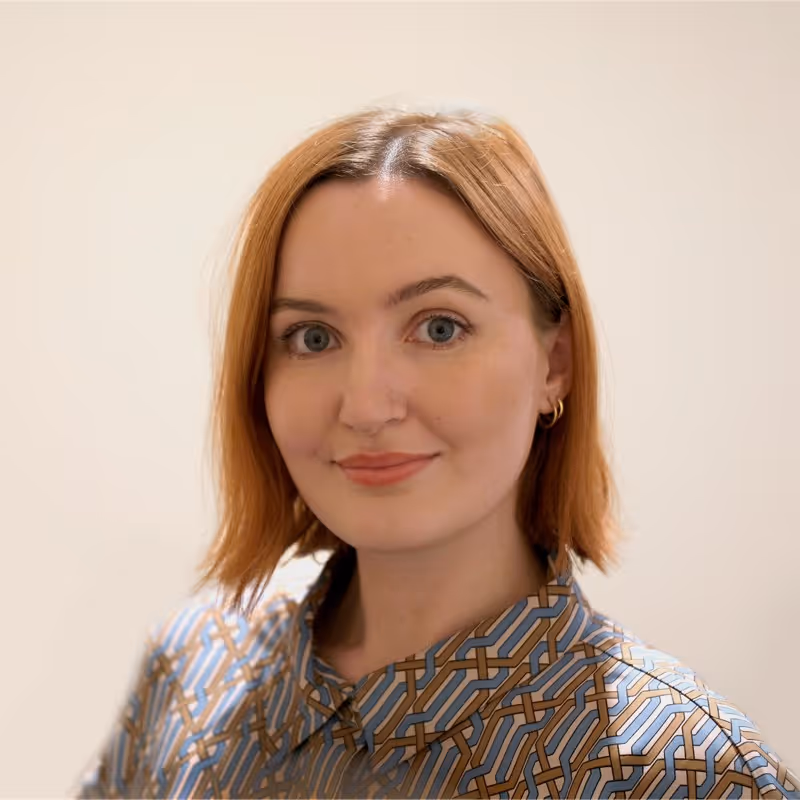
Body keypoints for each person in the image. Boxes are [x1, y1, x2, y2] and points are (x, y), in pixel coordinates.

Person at [73, 105, 798, 799]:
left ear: (555, 364)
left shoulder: (682, 775)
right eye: (313, 337)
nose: (365, 406)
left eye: (440, 328)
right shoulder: (193, 665)